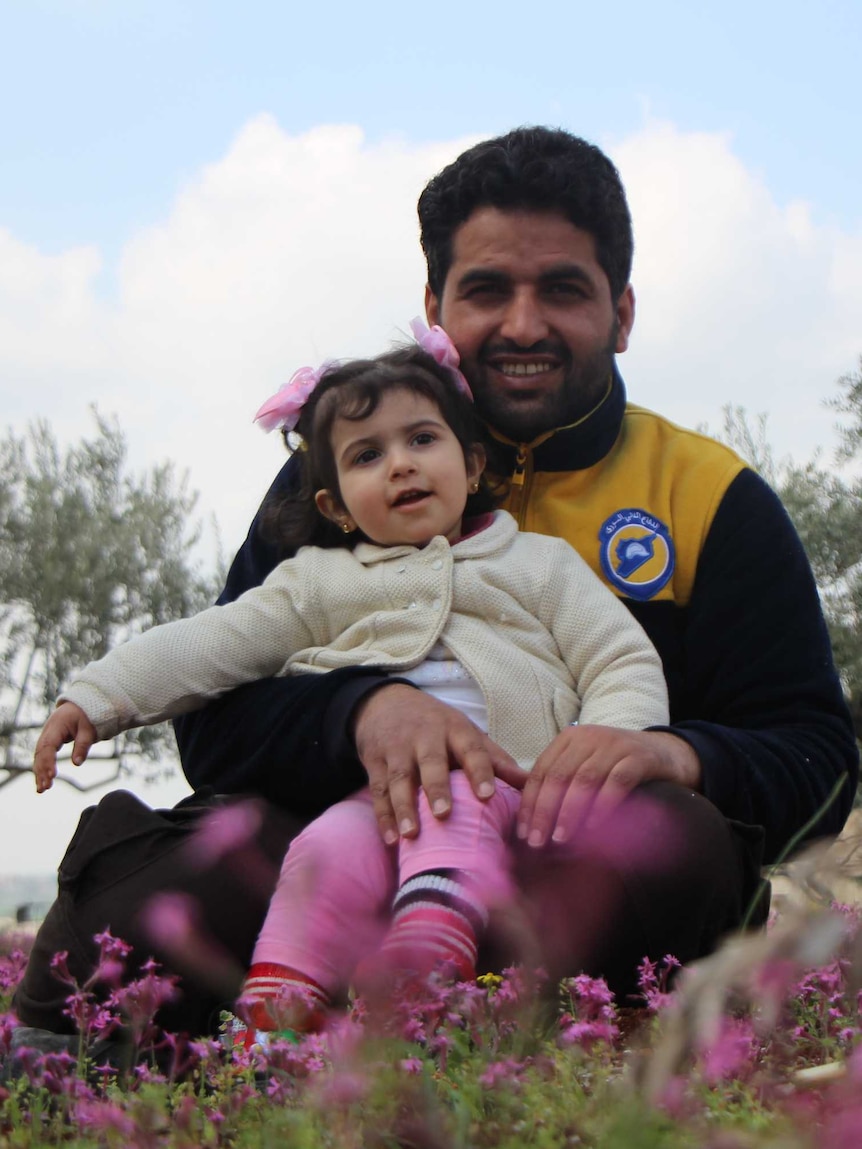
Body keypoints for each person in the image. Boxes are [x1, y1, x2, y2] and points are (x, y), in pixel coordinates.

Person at [14, 126, 858, 1044]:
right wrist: (361, 714)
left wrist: (668, 755)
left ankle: (423, 1020)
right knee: (170, 872)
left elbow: (817, 753)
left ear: (621, 312)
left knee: (677, 840)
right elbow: (214, 719)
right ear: (435, 305)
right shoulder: (332, 487)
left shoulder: (712, 497)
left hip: (569, 866)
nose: (524, 324)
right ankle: (264, 1025)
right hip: (340, 850)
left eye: (564, 290)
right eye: (488, 290)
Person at [32, 332, 669, 1039]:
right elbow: (209, 642)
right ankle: (274, 1032)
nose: (401, 465)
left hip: (510, 790)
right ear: (336, 506)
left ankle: (422, 977)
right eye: (368, 454)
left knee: (454, 795)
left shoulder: (538, 564)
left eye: (422, 440)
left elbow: (621, 660)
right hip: (372, 803)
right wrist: (94, 696)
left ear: (472, 461)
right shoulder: (315, 582)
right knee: (321, 850)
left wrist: (604, 741)